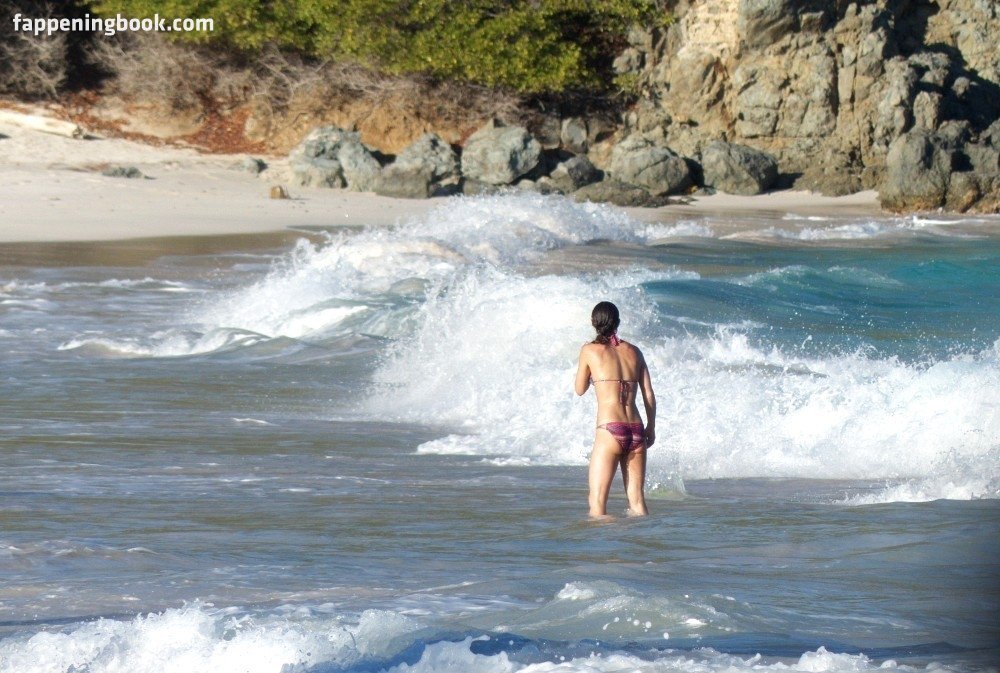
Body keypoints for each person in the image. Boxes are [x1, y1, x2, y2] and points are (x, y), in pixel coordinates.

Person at [575, 301, 656, 517]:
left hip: (610, 429)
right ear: (617, 322)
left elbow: (579, 389)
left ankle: (608, 539)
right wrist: (651, 427)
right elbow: (649, 394)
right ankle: (646, 538)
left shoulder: (589, 350)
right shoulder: (635, 352)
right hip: (636, 430)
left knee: (597, 503)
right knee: (637, 502)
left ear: (594, 323)